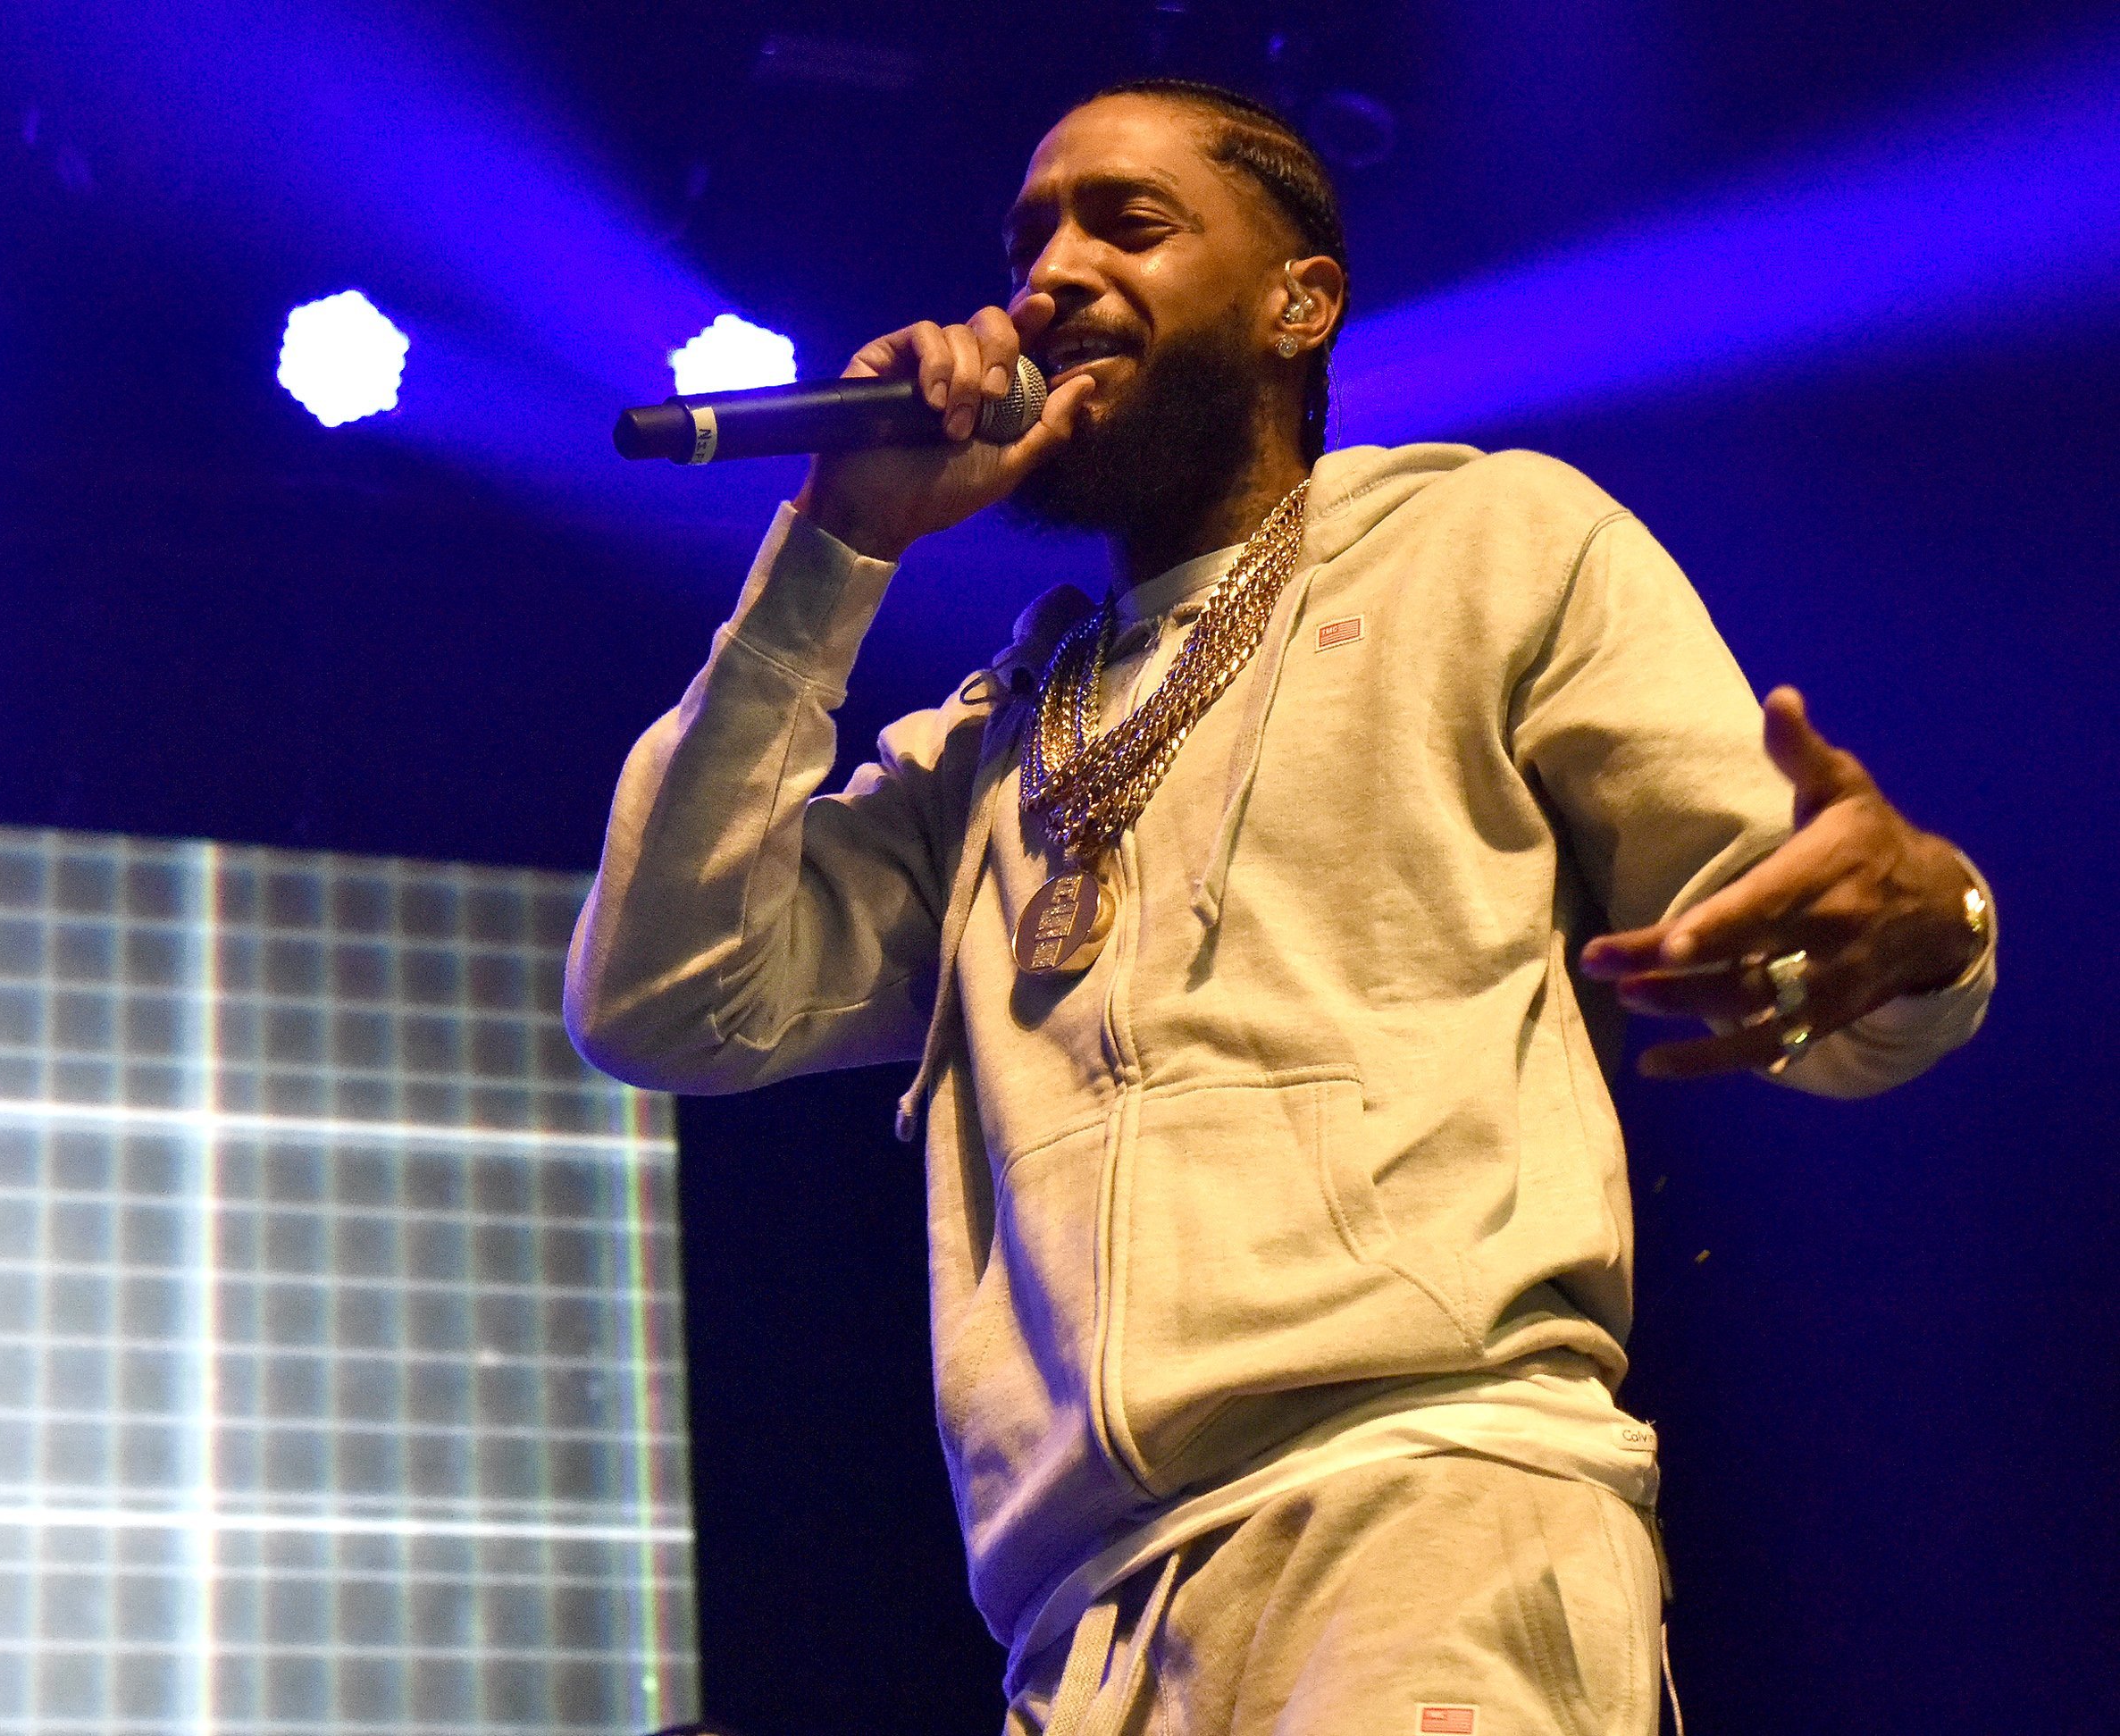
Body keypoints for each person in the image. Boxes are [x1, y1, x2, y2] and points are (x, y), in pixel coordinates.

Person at [566, 80, 1994, 1736]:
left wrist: (1934, 919)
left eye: (1129, 221)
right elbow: (658, 998)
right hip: (1081, 1628)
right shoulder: (989, 744)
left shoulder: (1488, 543)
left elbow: (1806, 947)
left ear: (1298, 303)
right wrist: (834, 548)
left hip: (1425, 1511)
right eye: (1030, 235)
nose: (1050, 274)